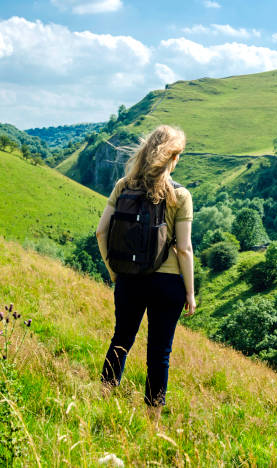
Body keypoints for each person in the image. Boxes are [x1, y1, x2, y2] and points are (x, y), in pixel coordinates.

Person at [96, 124, 196, 426]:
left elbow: (101, 231)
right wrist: (190, 293)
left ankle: (102, 397)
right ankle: (152, 419)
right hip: (167, 284)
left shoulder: (123, 186)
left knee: (121, 338)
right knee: (159, 352)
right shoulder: (180, 194)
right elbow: (184, 249)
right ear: (173, 157)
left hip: (129, 278)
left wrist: (115, 273)